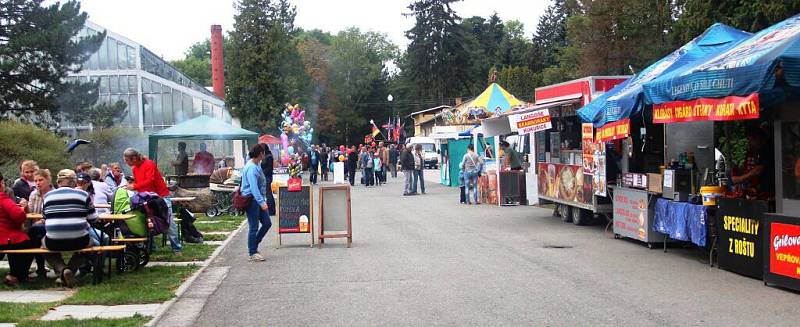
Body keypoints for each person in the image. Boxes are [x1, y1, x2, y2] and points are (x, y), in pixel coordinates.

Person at [42, 169, 98, 287]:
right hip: (79, 241)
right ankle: (70, 270)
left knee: (43, 245)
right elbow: (93, 219)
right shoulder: (83, 195)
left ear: (58, 182)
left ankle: (62, 270)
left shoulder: (47, 196)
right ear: (74, 182)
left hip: (53, 241)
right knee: (91, 242)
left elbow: (45, 216)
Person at [123, 148, 182, 253]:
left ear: (134, 158)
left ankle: (176, 248)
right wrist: (133, 187)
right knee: (148, 222)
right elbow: (140, 183)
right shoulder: (135, 169)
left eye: (127, 160)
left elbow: (150, 180)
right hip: (147, 198)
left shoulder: (149, 164)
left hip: (160, 196)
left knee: (168, 222)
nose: (126, 162)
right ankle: (151, 247)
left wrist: (134, 186)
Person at [0, 171, 35, 286]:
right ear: (1, 183)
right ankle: (17, 275)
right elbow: (19, 216)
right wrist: (22, 210)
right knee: (30, 243)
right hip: (5, 237)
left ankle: (16, 275)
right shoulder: (3, 198)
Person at [241, 144, 271, 262]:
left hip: (258, 199)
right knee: (254, 226)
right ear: (260, 154)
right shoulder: (251, 168)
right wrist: (261, 202)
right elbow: (254, 187)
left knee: (267, 223)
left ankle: (254, 243)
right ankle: (252, 252)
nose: (265, 154)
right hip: (252, 200)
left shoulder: (256, 164)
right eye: (263, 152)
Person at [732, 128, 774, 199]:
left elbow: (759, 170)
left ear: (757, 138)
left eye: (750, 140)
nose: (749, 143)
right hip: (761, 189)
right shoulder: (758, 150)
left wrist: (740, 179)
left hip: (769, 189)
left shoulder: (767, 149)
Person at [26, 169, 51, 278]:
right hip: (35, 226)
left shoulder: (53, 194)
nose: (38, 183)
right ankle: (40, 268)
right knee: (35, 237)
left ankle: (39, 268)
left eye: (40, 180)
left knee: (37, 237)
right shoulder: (33, 194)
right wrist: (26, 207)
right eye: (36, 181)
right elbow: (30, 212)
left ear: (48, 180)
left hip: (49, 226)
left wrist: (42, 220)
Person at [259, 144, 276, 216]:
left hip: (267, 177)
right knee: (267, 193)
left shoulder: (269, 157)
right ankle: (270, 209)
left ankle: (271, 210)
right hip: (266, 177)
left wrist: (261, 172)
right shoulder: (266, 156)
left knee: (268, 193)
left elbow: (269, 169)